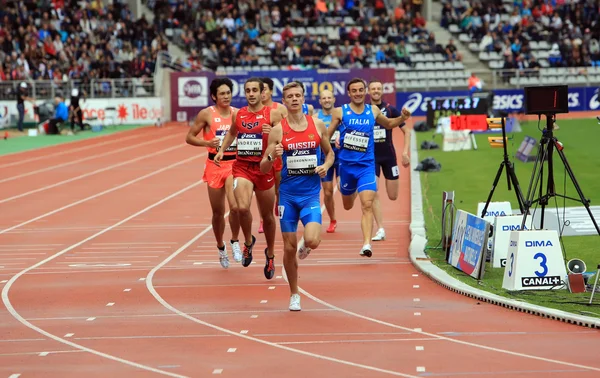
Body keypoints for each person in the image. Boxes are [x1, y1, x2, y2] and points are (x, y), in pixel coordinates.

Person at [260, 81, 334, 311]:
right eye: (289, 96)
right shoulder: (278, 130)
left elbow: (330, 154)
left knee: (312, 240)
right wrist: (272, 155)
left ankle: (307, 246)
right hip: (288, 197)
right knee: (289, 248)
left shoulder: (317, 124)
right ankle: (294, 293)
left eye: (298, 95)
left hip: (310, 194)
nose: (294, 99)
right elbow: (263, 167)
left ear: (304, 99)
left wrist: (325, 166)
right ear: (284, 101)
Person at [327, 78, 411, 257]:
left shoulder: (372, 110)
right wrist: (331, 150)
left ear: (365, 92)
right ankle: (349, 191)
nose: (358, 93)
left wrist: (402, 118)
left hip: (366, 166)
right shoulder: (339, 112)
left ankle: (366, 244)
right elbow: (325, 136)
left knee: (367, 204)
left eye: (360, 90)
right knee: (348, 205)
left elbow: (388, 124)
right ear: (349, 93)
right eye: (354, 91)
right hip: (347, 167)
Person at [215, 77, 284, 280]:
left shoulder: (273, 114)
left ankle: (270, 254)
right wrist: (221, 150)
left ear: (263, 92)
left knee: (268, 217)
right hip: (243, 167)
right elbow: (232, 133)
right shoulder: (240, 114)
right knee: (242, 208)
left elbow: (283, 137)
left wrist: (271, 132)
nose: (251, 94)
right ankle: (247, 242)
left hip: (264, 168)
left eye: (255, 90)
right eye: (248, 90)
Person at [185, 77, 242, 269]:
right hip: (215, 166)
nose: (226, 97)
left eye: (228, 93)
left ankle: (235, 241)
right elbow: (189, 137)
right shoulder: (206, 114)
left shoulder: (238, 114)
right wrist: (207, 143)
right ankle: (221, 246)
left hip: (235, 165)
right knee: (218, 213)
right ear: (214, 96)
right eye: (222, 94)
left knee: (235, 208)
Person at [367, 80, 411, 241]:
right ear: (368, 91)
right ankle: (380, 229)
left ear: (382, 91)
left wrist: (405, 152)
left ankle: (380, 227)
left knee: (393, 196)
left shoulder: (390, 109)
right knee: (373, 192)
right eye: (373, 88)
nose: (376, 91)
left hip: (389, 157)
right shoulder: (366, 111)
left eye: (378, 88)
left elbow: (407, 131)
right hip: (371, 158)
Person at [257, 77, 288, 234]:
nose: (262, 94)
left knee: (277, 188)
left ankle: (277, 203)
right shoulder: (254, 109)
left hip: (277, 154)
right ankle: (263, 219)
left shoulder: (280, 109)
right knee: (261, 190)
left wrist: (274, 130)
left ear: (270, 91)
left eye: (264, 90)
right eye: (259, 90)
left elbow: (287, 129)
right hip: (259, 155)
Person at [314, 90, 339, 233]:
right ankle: (333, 219)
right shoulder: (316, 118)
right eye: (324, 98)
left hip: (341, 156)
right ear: (320, 101)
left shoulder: (340, 115)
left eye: (329, 97)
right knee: (328, 192)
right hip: (324, 157)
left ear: (334, 99)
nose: (327, 100)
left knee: (343, 188)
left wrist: (341, 136)